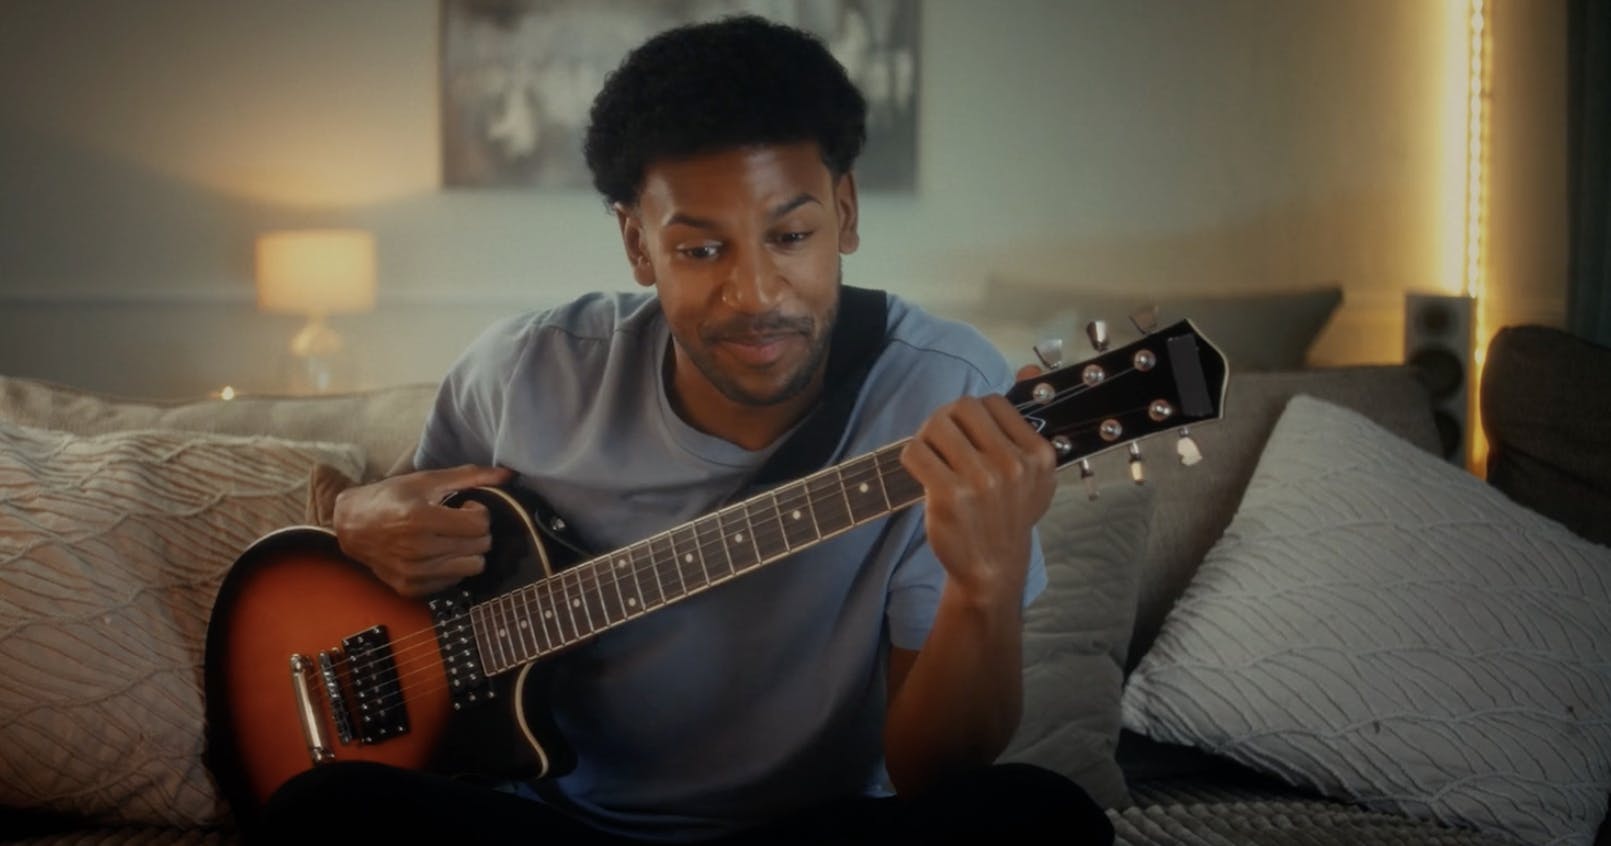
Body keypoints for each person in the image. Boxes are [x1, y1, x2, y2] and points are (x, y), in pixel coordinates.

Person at [255, 14, 1113, 846]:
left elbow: (936, 772)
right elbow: (389, 553)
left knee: (1038, 817)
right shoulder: (524, 370)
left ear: (844, 215)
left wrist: (985, 584)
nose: (755, 295)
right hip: (551, 824)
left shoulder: (945, 391)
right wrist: (357, 514)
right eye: (701, 251)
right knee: (319, 811)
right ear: (636, 245)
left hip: (805, 833)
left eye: (791, 235)